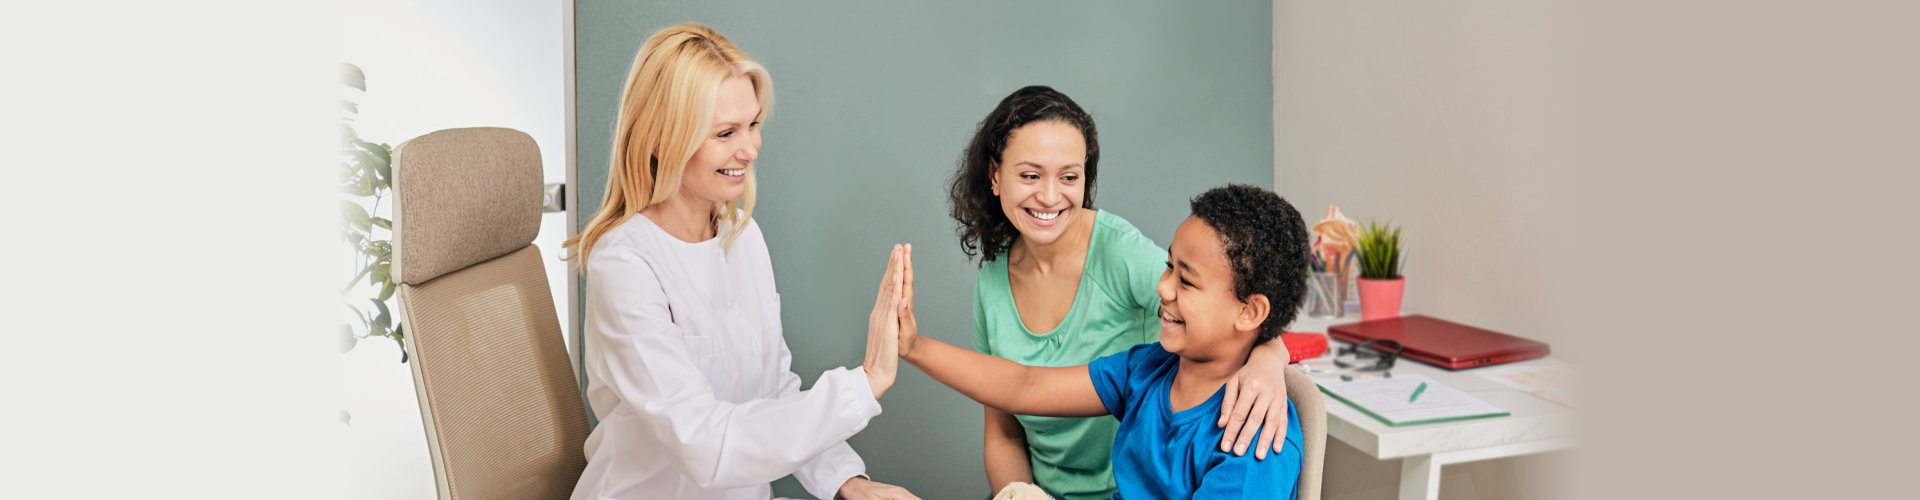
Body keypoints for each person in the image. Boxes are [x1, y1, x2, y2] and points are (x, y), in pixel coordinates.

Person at [564, 23, 917, 500]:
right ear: (658, 138)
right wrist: (867, 381)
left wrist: (848, 483)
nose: (749, 149)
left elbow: (772, 393)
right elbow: (705, 445)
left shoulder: (740, 235)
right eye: (725, 132)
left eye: (752, 124)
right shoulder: (624, 266)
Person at [946, 86, 1296, 499]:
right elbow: (1010, 413)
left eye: (1069, 176)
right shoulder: (992, 285)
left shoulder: (1121, 255)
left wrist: (1270, 359)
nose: (1050, 195)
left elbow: (1231, 313)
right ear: (995, 175)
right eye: (1030, 175)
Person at [903, 184, 1312, 499]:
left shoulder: (1256, 441)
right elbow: (1026, 386)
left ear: (1250, 311)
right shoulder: (1149, 369)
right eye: (1169, 266)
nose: (1162, 287)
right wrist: (913, 346)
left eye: (1186, 280)